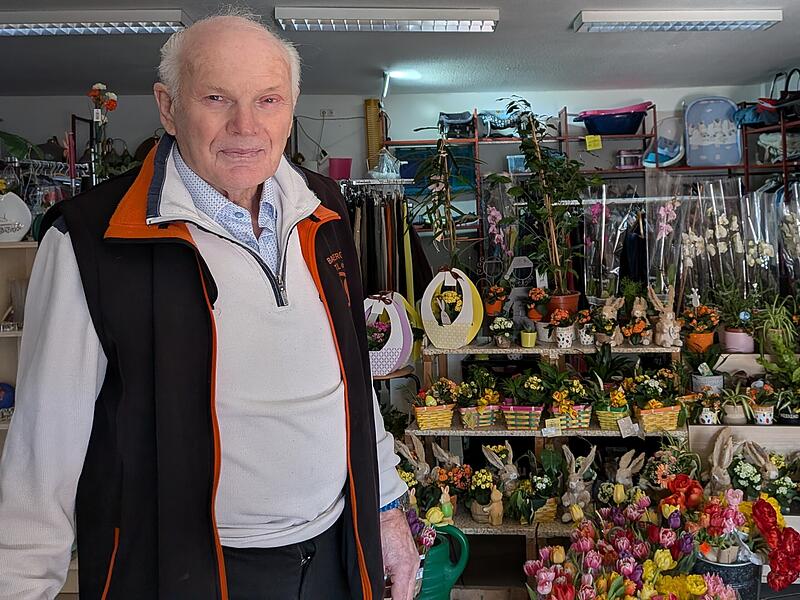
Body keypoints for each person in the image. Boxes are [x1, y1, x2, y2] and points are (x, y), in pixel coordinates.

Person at [0, 11, 419, 600]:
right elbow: (42, 459)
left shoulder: (323, 211)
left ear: (290, 108)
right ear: (169, 108)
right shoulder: (90, 240)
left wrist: (386, 511)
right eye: (217, 97)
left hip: (333, 561)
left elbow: (351, 378)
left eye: (268, 100)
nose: (245, 126)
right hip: (182, 574)